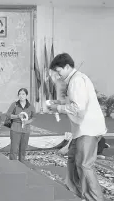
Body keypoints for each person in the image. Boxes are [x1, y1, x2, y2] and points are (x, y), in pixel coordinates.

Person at [48, 53, 107, 201]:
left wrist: (58, 109)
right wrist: (59, 104)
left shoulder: (77, 81)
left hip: (87, 128)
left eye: (58, 71)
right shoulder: (75, 79)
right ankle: (76, 191)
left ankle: (95, 198)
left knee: (84, 165)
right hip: (81, 129)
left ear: (67, 67)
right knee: (72, 159)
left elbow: (78, 108)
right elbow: (75, 102)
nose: (57, 75)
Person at [6, 88, 36, 162]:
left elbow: (34, 117)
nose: (21, 96)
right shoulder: (14, 104)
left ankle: (21, 163)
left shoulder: (31, 106)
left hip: (26, 129)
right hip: (15, 128)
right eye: (19, 94)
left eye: (23, 94)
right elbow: (8, 114)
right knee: (14, 148)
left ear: (26, 95)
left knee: (23, 148)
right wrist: (17, 116)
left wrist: (28, 121)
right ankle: (13, 164)